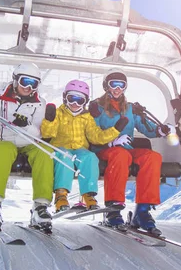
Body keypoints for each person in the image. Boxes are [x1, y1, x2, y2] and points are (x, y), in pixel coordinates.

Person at [89, 68, 175, 235]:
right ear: (107, 86)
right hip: (105, 149)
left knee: (152, 157)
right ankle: (113, 210)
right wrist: (112, 141)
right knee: (120, 155)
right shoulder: (97, 107)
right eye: (113, 84)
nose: (117, 88)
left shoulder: (129, 108)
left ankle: (142, 211)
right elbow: (91, 133)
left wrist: (160, 131)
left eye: (121, 85)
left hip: (126, 149)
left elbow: (146, 128)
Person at [0, 63, 55, 231]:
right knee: (2, 151)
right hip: (6, 140)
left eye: (34, 83)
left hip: (29, 142)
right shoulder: (0, 97)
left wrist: (25, 126)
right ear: (16, 80)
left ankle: (41, 206)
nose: (29, 87)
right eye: (25, 81)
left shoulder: (40, 103)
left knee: (46, 152)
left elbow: (38, 132)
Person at [40, 79, 128, 213]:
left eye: (79, 100)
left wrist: (115, 130)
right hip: (60, 147)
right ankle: (61, 195)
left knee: (90, 157)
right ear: (65, 98)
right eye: (72, 99)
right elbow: (48, 133)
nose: (75, 104)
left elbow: (96, 137)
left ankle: (88, 194)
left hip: (80, 149)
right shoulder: (59, 113)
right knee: (65, 157)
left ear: (85, 101)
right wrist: (49, 120)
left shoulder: (87, 117)